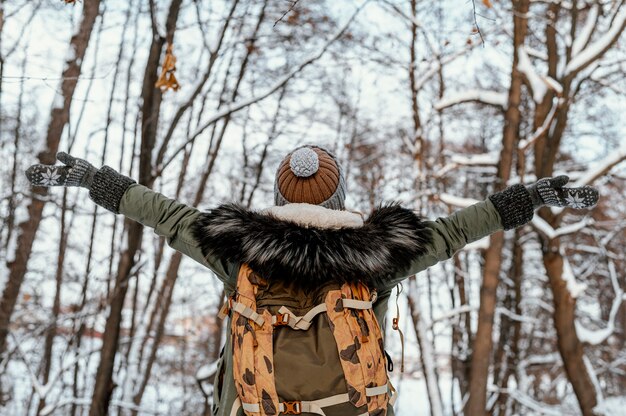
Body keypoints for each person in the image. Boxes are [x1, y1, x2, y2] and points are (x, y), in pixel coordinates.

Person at [26, 146, 598, 416]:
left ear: (278, 198)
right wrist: (527, 198)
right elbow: (455, 231)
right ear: (340, 199)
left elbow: (166, 215)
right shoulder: (378, 258)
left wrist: (94, 180)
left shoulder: (237, 253)